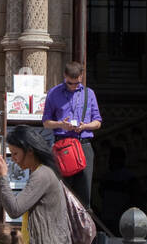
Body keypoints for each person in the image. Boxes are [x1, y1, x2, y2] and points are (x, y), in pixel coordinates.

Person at [42, 61, 102, 207]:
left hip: (83, 145)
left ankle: (83, 226)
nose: (73, 87)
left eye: (76, 83)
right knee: (62, 191)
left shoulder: (89, 94)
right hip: (63, 145)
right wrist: (61, 124)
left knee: (84, 193)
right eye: (69, 83)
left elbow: (98, 122)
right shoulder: (54, 93)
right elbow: (46, 122)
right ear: (64, 76)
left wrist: (85, 126)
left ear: (81, 77)